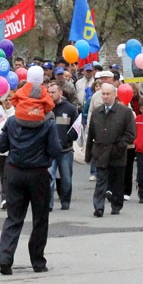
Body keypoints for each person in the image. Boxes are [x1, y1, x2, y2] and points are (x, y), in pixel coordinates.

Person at [0, 93, 61, 275]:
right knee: (40, 219)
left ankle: (5, 258)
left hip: (15, 172)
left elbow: (1, 146)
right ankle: (38, 261)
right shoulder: (48, 122)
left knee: (14, 217)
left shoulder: (12, 121)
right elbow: (55, 150)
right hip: (38, 173)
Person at [86, 83, 136, 217]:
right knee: (101, 181)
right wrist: (88, 154)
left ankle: (116, 205)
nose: (105, 97)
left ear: (115, 95)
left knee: (117, 181)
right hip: (101, 152)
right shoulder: (97, 112)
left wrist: (120, 146)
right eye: (103, 94)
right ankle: (99, 207)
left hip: (117, 153)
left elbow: (131, 134)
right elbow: (91, 134)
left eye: (108, 94)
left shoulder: (125, 112)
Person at [47, 81, 79, 211]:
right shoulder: (46, 108)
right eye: (49, 92)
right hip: (49, 151)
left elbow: (77, 128)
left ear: (60, 93)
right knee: (49, 178)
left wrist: (66, 139)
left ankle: (65, 201)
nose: (50, 95)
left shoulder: (70, 109)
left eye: (53, 92)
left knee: (66, 179)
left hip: (65, 150)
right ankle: (48, 204)